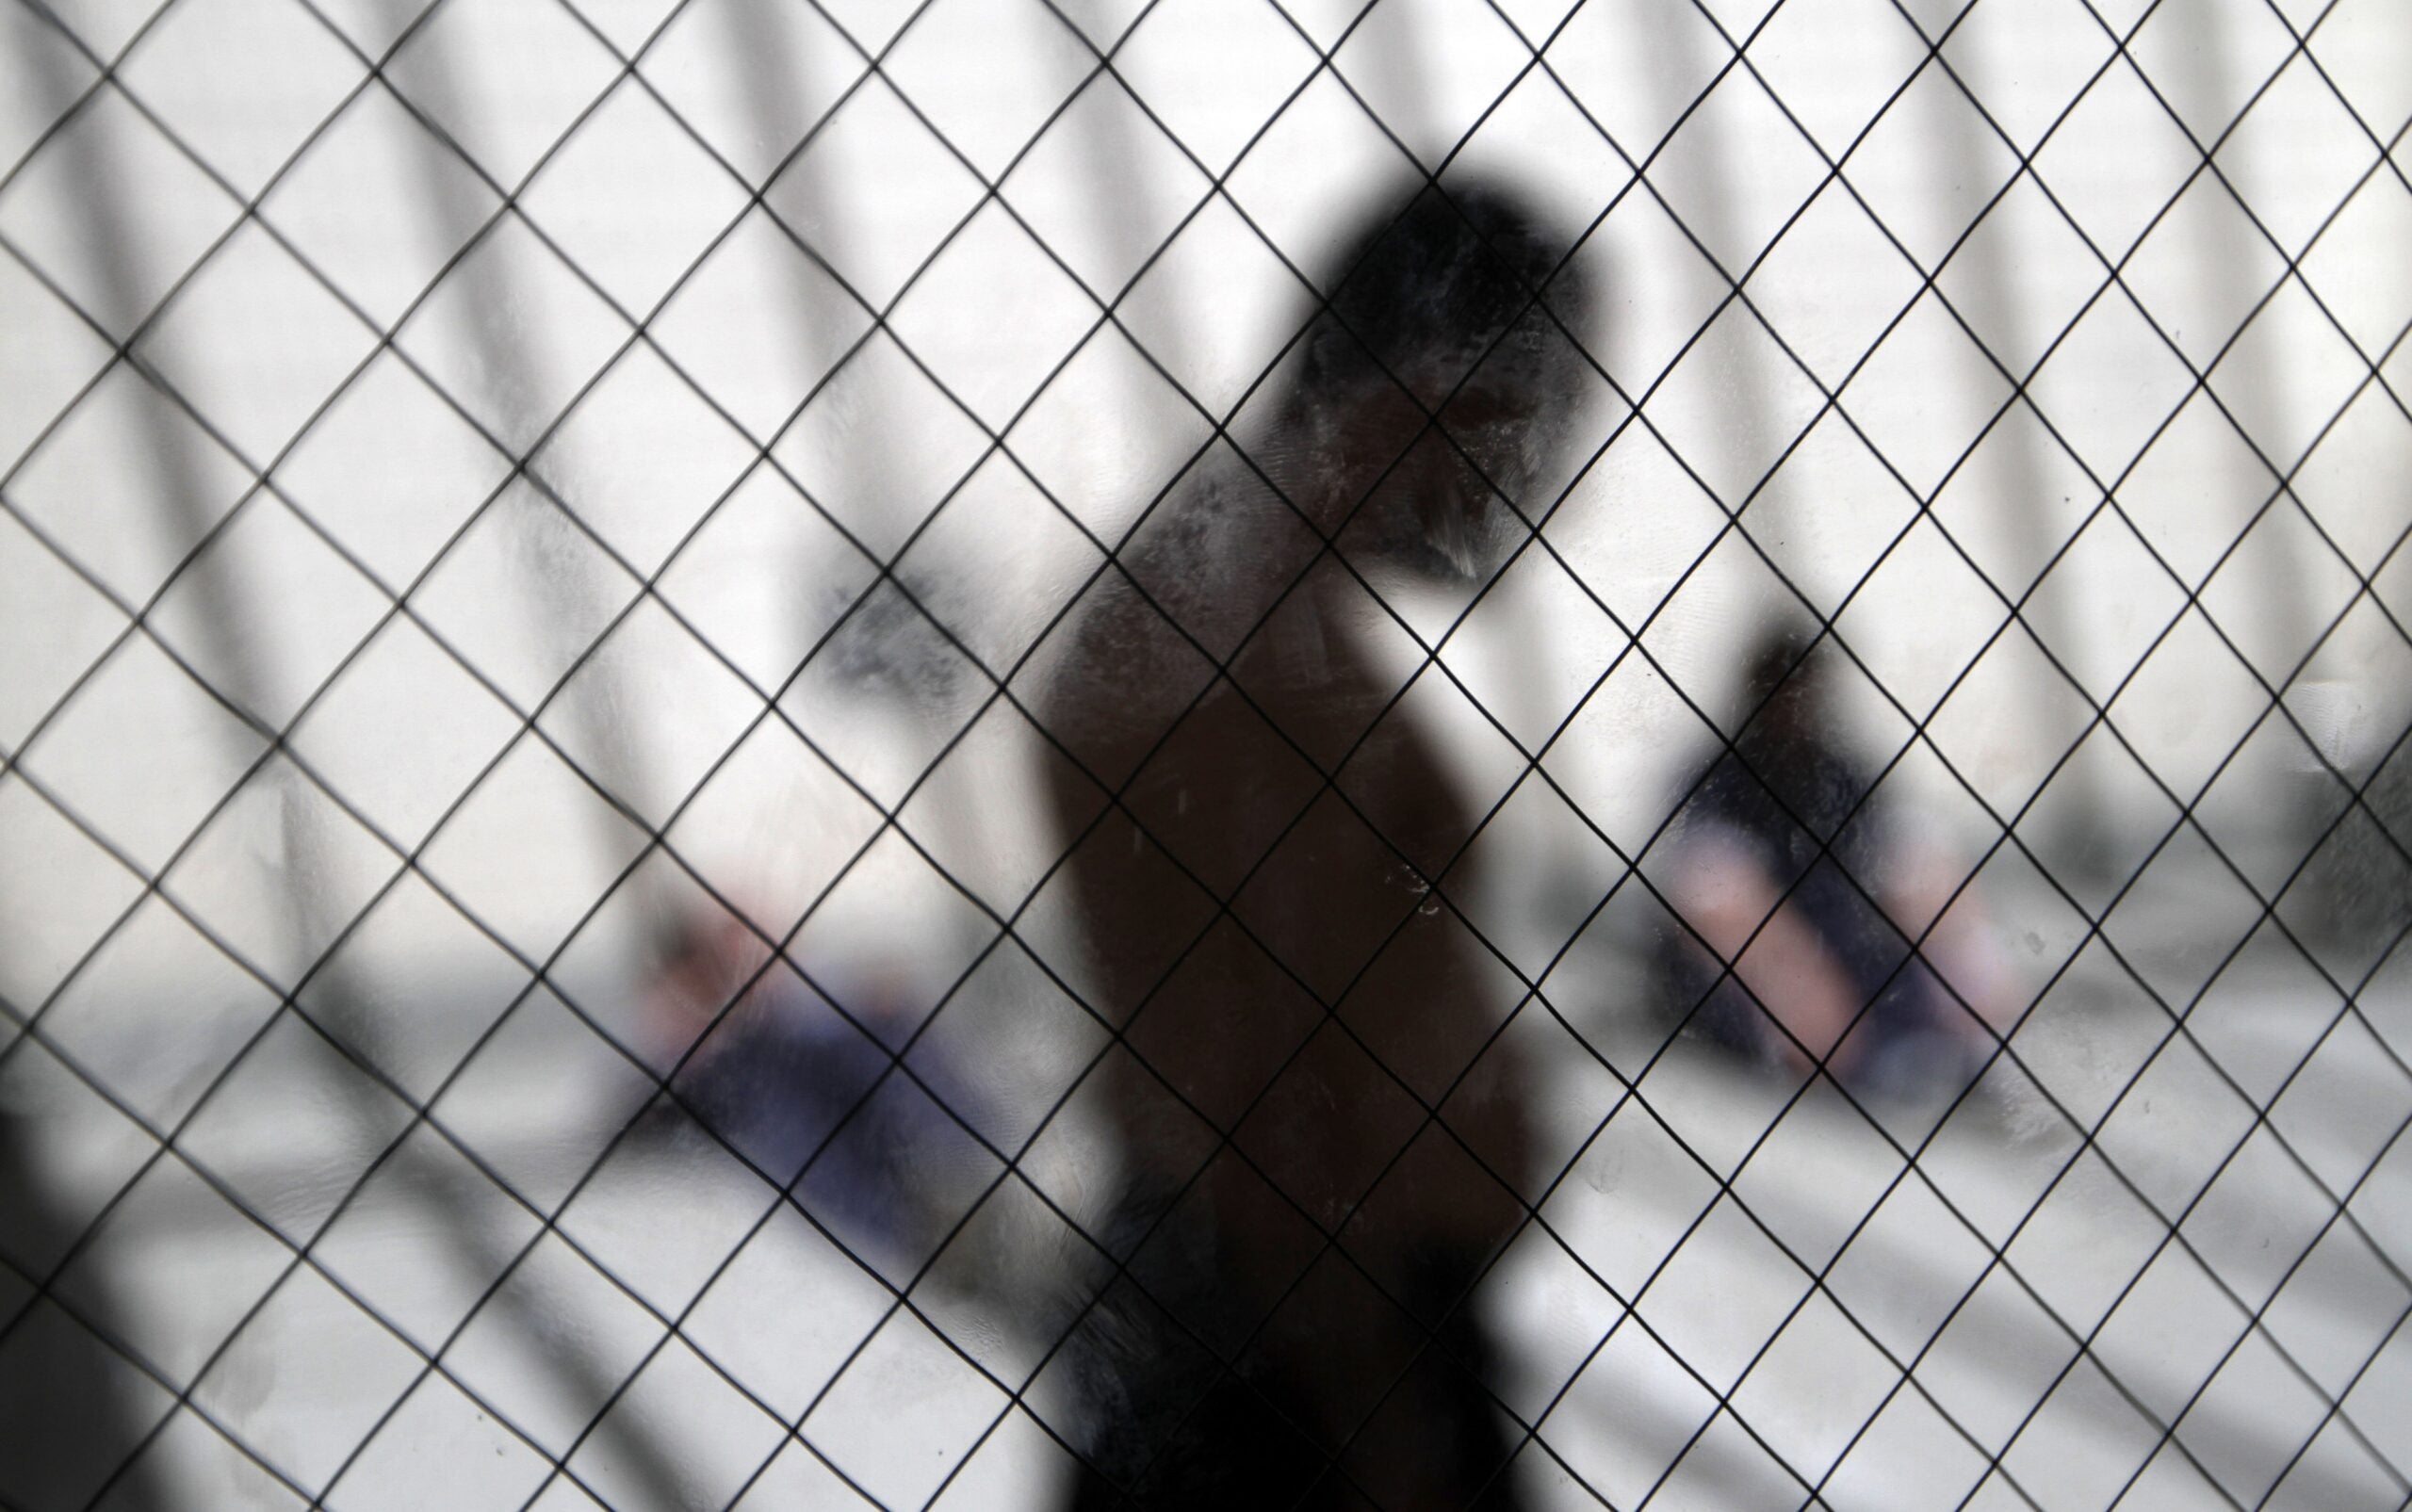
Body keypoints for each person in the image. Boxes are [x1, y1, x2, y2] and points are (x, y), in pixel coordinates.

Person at [1034, 177, 1594, 1509]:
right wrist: (1386, 1432)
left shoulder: (1239, 599)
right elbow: (1265, 1121)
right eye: (1544, 412)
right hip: (1302, 1374)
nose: (1548, 470)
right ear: (1442, 390)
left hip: (1298, 1346)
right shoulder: (1234, 648)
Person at [1654, 623, 2003, 1100]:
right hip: (1768, 979)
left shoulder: (1841, 772)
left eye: (1803, 690)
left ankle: (1946, 1049)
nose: (1793, 706)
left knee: (1925, 883)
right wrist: (1799, 988)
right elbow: (1710, 894)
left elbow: (1905, 858)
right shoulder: (1717, 779)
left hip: (1848, 948)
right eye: (1781, 689)